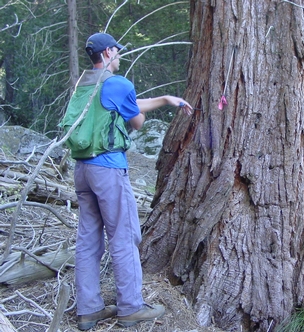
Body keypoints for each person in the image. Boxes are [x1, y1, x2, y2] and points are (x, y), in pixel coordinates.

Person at [66, 32, 193, 330]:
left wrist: (164, 99)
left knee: (88, 241)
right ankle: (131, 307)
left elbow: (125, 104)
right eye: (118, 52)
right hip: (108, 169)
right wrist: (143, 109)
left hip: (82, 170)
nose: (120, 56)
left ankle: (88, 310)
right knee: (124, 237)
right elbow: (136, 120)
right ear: (108, 52)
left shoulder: (83, 84)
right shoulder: (118, 83)